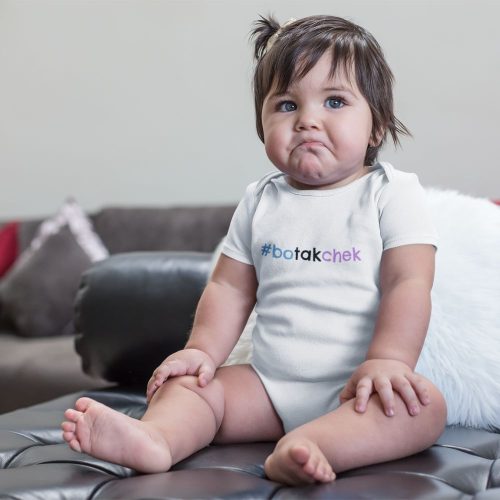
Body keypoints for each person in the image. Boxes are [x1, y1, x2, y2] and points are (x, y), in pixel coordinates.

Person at [61, 14, 447, 485]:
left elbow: (409, 281)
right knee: (191, 387)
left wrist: (389, 359)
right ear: (263, 125)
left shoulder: (391, 193)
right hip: (264, 386)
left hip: (354, 388)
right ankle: (156, 439)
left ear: (376, 126)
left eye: (334, 101)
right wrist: (201, 350)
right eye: (286, 105)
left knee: (423, 408)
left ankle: (313, 446)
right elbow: (228, 287)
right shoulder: (262, 200)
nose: (308, 119)